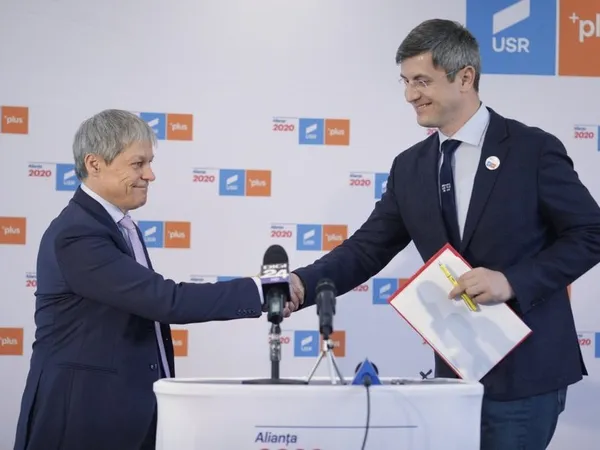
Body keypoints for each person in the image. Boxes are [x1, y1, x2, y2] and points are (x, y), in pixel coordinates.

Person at [288, 19, 600, 450]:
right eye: (405, 82)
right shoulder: (410, 166)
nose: (410, 95)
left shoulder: (532, 149)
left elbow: (591, 232)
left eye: (422, 81)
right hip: (453, 376)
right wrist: (301, 284)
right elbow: (366, 249)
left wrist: (511, 281)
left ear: (465, 77)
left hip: (526, 375)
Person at [13, 109, 278, 450]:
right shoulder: (77, 234)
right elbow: (166, 301)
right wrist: (262, 290)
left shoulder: (117, 226)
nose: (150, 175)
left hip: (124, 418)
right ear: (95, 164)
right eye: (138, 164)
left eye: (149, 163)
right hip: (81, 420)